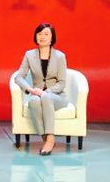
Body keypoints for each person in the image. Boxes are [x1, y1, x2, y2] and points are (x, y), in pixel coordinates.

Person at [13, 22, 68, 156]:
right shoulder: (29, 55)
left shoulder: (60, 56)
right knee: (33, 101)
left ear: (52, 38)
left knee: (46, 97)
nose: (42, 37)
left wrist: (45, 92)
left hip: (57, 97)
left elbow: (62, 82)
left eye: (46, 34)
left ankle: (50, 138)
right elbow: (18, 77)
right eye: (39, 34)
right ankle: (45, 138)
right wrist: (30, 90)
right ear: (35, 36)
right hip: (36, 94)